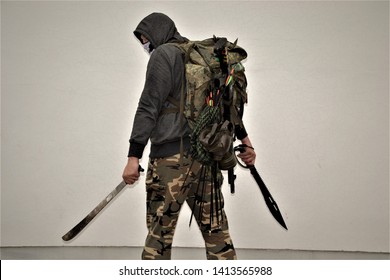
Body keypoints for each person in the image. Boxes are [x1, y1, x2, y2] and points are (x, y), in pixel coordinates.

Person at [122, 12, 256, 260]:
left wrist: (134, 155)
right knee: (217, 235)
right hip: (205, 160)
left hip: (170, 162)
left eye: (145, 39)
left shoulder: (164, 55)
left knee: (158, 238)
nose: (145, 45)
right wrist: (246, 142)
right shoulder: (201, 57)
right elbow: (226, 106)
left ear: (157, 33)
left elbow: (148, 106)